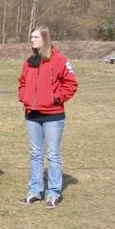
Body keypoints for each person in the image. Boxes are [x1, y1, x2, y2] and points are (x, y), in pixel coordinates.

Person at [18, 26, 78, 209]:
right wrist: (24, 97)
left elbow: (71, 84)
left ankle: (53, 193)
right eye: (31, 37)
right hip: (32, 115)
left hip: (52, 116)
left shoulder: (60, 60)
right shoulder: (29, 62)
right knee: (35, 153)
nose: (32, 40)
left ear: (45, 39)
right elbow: (22, 82)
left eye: (35, 37)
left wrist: (55, 98)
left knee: (52, 154)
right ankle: (35, 191)